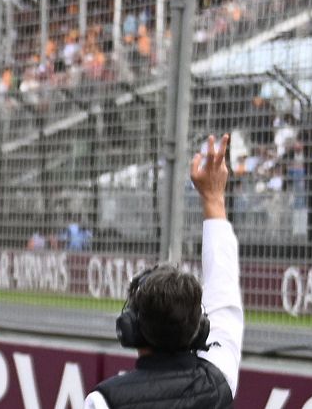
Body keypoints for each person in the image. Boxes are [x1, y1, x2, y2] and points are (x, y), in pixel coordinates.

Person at [87, 134, 242, 409]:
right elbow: (224, 291)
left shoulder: (104, 401)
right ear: (200, 330)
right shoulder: (218, 381)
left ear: (131, 328)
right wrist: (214, 198)